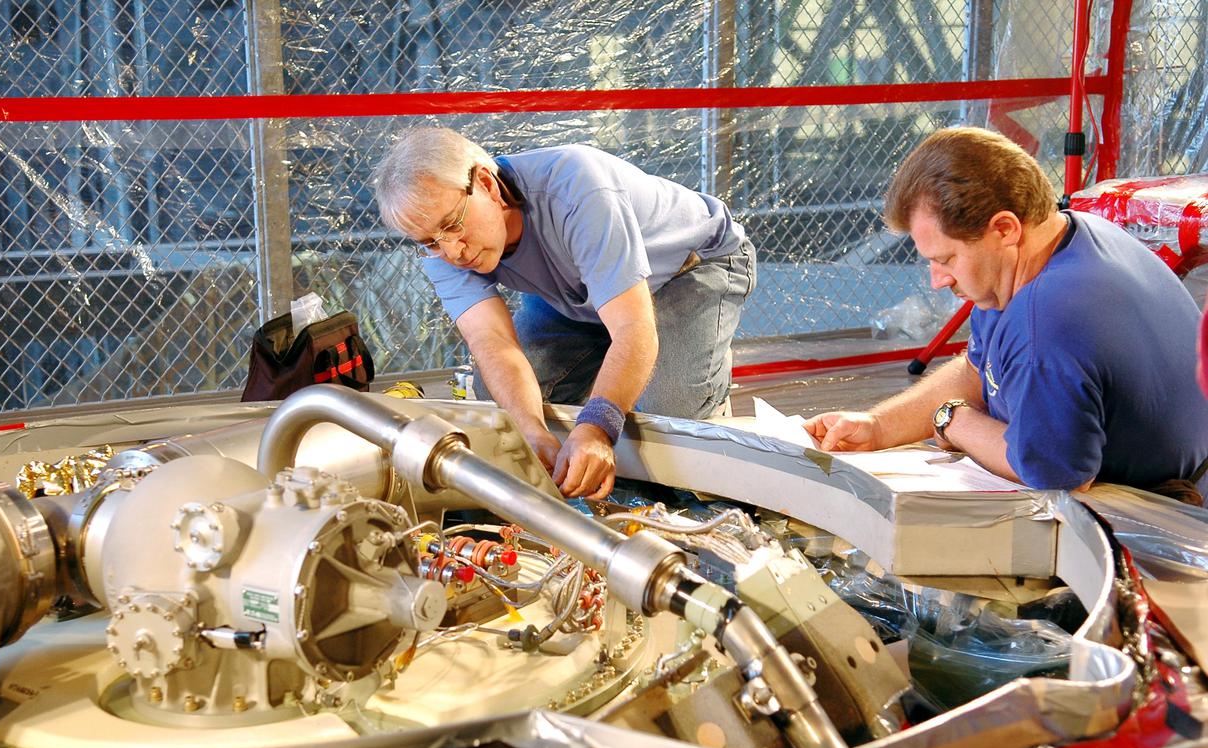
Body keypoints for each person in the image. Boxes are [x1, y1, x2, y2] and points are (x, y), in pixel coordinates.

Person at [804, 126, 1208, 503]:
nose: (937, 280)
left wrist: (952, 420)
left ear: (1005, 229)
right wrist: (877, 427)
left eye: (946, 259)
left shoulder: (1049, 320)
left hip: (1162, 503)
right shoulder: (1063, 238)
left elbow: (1057, 475)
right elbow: (980, 370)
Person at [374, 127, 755, 499]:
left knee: (666, 412)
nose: (453, 252)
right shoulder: (441, 242)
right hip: (581, 294)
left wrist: (596, 429)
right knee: (498, 395)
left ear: (488, 185)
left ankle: (704, 389)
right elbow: (492, 342)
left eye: (454, 225)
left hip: (689, 268)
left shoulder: (577, 188)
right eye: (430, 243)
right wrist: (530, 433)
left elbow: (633, 327)